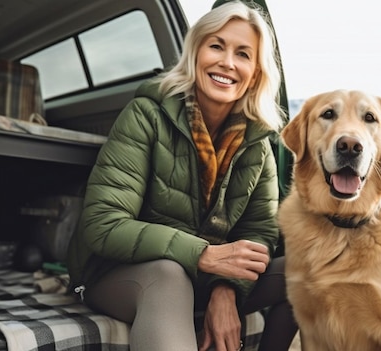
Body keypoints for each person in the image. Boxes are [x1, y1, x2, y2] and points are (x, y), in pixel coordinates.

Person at [66, 1, 298, 350]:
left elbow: (257, 234)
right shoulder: (146, 115)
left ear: (256, 72)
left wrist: (226, 290)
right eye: (216, 45)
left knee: (310, 272)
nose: (227, 62)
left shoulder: (259, 143)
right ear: (195, 52)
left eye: (243, 54)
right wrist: (203, 254)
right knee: (168, 275)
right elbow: (103, 224)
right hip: (118, 273)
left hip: (204, 276)